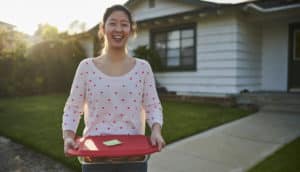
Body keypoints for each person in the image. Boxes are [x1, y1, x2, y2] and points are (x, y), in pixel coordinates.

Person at [62, 4, 165, 172]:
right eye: (113, 23)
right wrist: (68, 137)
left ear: (131, 30)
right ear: (103, 29)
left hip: (134, 157)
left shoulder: (143, 68)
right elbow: (73, 108)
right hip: (95, 157)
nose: (118, 29)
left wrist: (156, 130)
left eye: (124, 24)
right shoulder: (86, 67)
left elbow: (153, 106)